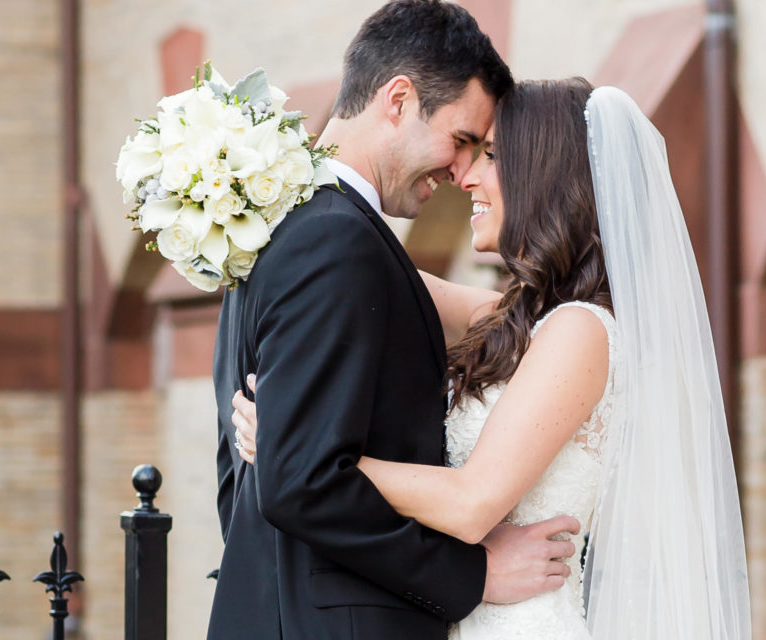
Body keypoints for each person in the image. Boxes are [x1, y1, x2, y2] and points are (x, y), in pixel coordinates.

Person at [232, 78, 752, 638]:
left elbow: (471, 502)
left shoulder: (581, 331)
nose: (467, 176)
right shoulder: (523, 321)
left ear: (546, 176)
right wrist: (254, 195)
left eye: (494, 157)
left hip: (521, 619)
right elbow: (365, 262)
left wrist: (294, 449)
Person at [209, 2, 581, 639]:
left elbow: (249, 480)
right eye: (463, 141)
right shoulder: (336, 242)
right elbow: (297, 481)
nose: (460, 170)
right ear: (399, 100)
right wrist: (472, 576)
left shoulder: (285, 229)